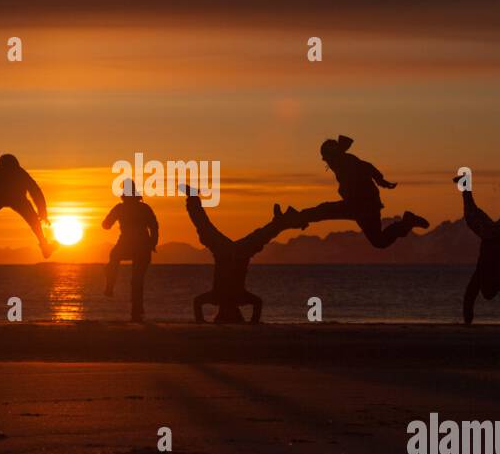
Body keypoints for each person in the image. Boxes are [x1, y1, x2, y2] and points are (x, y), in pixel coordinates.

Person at [282, 135, 428, 248]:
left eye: (326, 158)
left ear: (331, 155)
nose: (326, 162)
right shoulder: (341, 161)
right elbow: (367, 167)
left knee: (323, 210)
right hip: (362, 205)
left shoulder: (345, 161)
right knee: (379, 241)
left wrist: (380, 180)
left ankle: (297, 218)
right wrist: (380, 181)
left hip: (361, 205)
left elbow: (367, 167)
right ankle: (407, 222)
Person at [187, 189, 301, 323]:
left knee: (206, 228)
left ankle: (279, 222)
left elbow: (257, 303)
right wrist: (253, 323)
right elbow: (198, 302)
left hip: (229, 253)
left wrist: (201, 322)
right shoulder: (230, 297)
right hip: (235, 253)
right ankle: (279, 222)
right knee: (207, 228)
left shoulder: (221, 297)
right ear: (236, 312)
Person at [457, 175, 500, 325]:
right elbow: (468, 299)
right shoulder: (498, 277)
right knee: (472, 215)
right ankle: (465, 187)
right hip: (492, 236)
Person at [101, 183, 159, 322]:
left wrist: (152, 243)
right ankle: (136, 312)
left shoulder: (120, 208)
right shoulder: (144, 208)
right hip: (143, 245)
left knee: (114, 257)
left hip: (130, 244)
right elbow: (155, 227)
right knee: (137, 280)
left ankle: (110, 285)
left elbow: (106, 225)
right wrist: (152, 243)